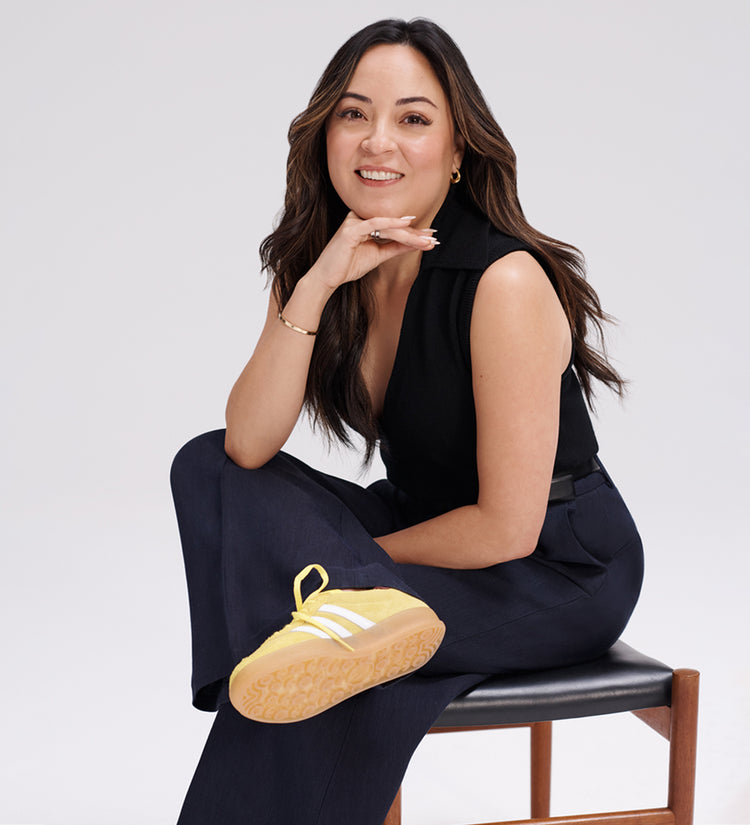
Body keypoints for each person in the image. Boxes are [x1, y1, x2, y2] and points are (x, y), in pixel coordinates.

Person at [170, 17, 644, 825]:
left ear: (458, 150)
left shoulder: (503, 281)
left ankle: (333, 625)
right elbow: (248, 443)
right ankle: (338, 622)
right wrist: (316, 283)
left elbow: (506, 527)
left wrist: (337, 578)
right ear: (325, 133)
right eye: (354, 114)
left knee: (330, 658)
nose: (376, 141)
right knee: (206, 463)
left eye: (413, 118)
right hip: (421, 530)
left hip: (553, 567)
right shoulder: (325, 263)